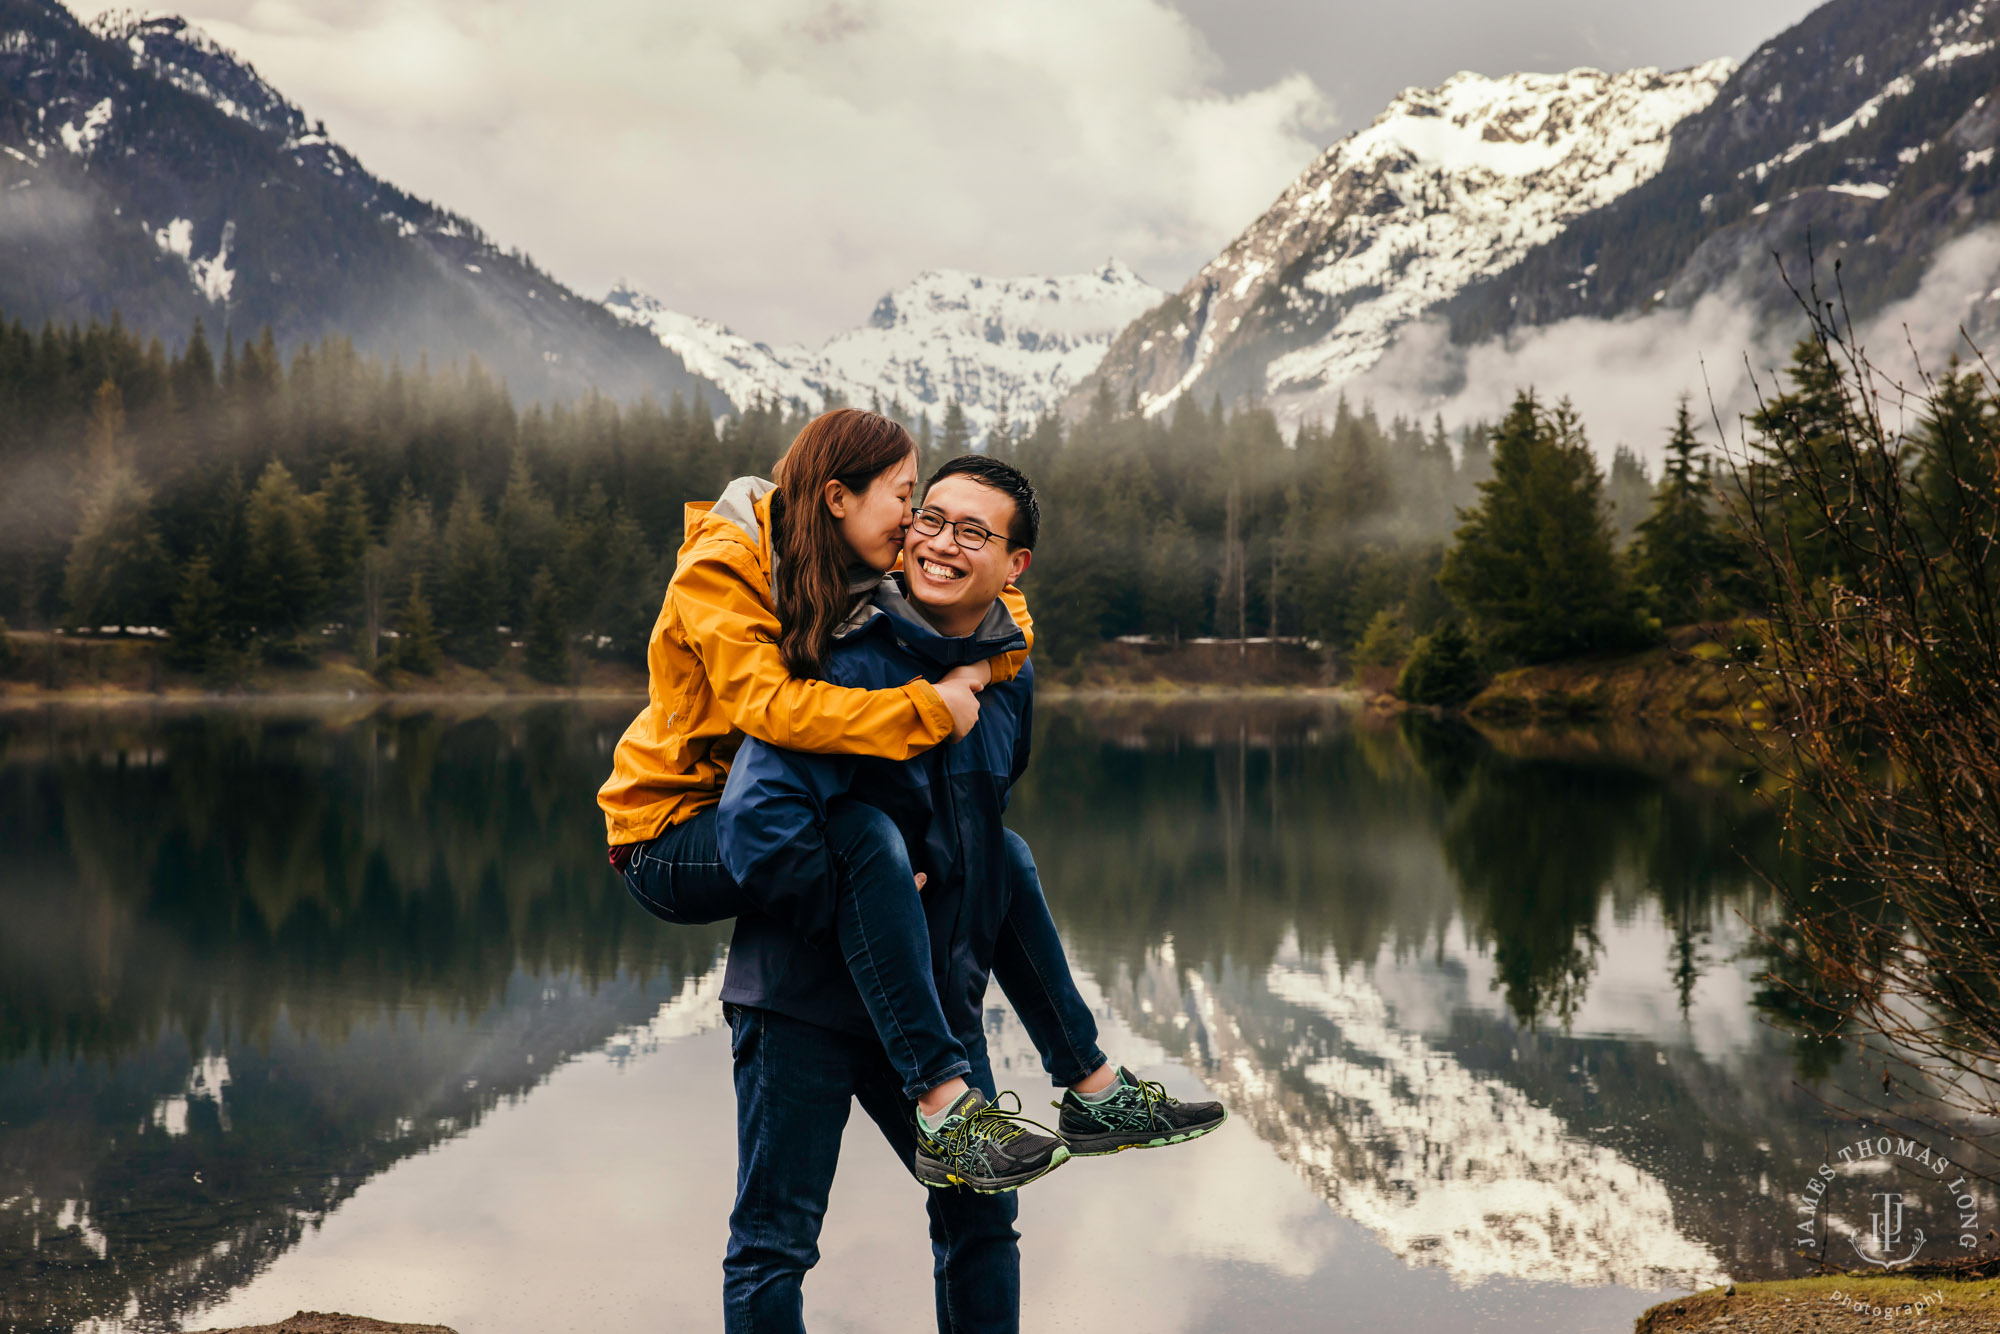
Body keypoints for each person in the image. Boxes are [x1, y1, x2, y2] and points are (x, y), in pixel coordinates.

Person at [596, 410, 1221, 1167]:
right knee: (866, 840)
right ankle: (940, 1100)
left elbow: (1002, 608)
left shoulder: (852, 555)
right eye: (905, 497)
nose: (915, 523)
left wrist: (977, 670)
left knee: (1007, 854)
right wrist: (930, 710)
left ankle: (1091, 1088)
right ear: (837, 497)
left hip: (769, 804)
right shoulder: (723, 565)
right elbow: (769, 708)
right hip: (670, 833)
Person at [712, 453, 1225, 1333]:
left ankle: (1093, 1084)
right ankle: (1089, 1085)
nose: (942, 543)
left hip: (936, 1014)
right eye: (931, 519)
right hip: (800, 998)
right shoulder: (838, 654)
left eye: (973, 532)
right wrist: (863, 911)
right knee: (776, 1245)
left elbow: (976, 831)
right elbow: (753, 827)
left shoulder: (1007, 679)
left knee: (983, 1227)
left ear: (1015, 565)